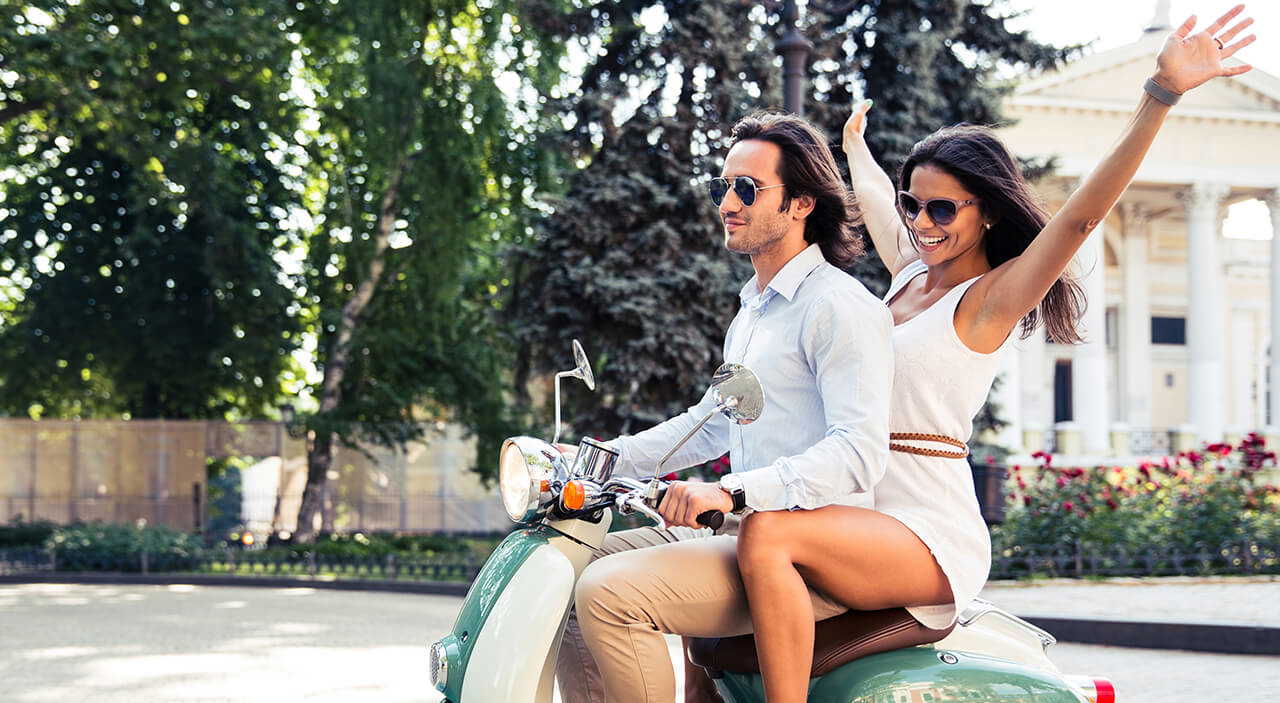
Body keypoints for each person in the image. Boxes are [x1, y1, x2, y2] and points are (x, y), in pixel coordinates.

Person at [733, 7, 1258, 702]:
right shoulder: (910, 276)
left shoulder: (989, 300)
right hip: (856, 508)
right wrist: (855, 148)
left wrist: (1159, 95)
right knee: (724, 590)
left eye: (942, 209)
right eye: (915, 205)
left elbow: (1080, 218)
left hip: (922, 526)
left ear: (986, 212)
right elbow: (881, 207)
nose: (922, 223)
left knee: (767, 532)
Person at [555, 112, 895, 703]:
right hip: (738, 536)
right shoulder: (753, 312)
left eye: (747, 188)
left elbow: (859, 452)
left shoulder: (838, 306)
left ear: (801, 203)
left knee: (609, 595)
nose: (728, 204)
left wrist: (732, 492)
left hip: (805, 555)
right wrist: (598, 459)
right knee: (561, 571)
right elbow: (707, 425)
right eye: (722, 187)